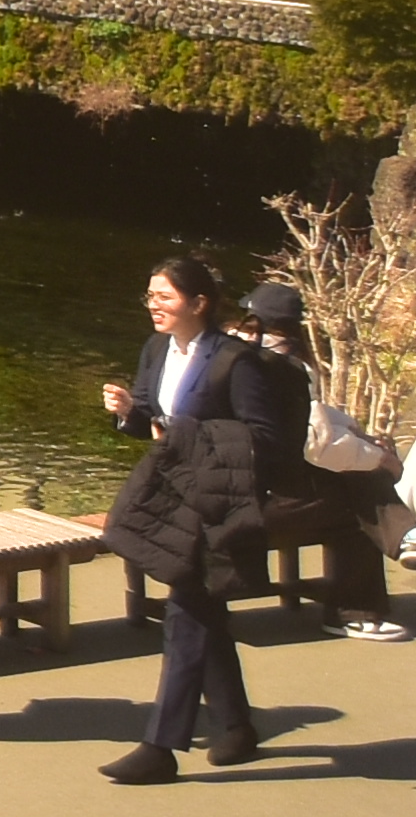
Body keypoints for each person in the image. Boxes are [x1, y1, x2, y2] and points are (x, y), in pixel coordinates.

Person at [100, 249, 299, 780]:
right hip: (173, 495)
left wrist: (185, 434)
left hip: (216, 503)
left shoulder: (236, 361)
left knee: (185, 614)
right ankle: (235, 725)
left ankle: (161, 747)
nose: (153, 305)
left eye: (163, 296)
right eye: (150, 296)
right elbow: (151, 425)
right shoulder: (155, 349)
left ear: (200, 303)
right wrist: (128, 415)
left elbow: (265, 438)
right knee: (203, 612)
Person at [238, 275, 413, 646]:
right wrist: (380, 458)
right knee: (357, 508)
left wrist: (357, 436)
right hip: (253, 501)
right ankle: (358, 608)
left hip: (236, 487)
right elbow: (318, 445)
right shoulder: (284, 368)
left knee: (352, 482)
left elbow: (312, 421)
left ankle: (408, 537)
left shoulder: (233, 358)